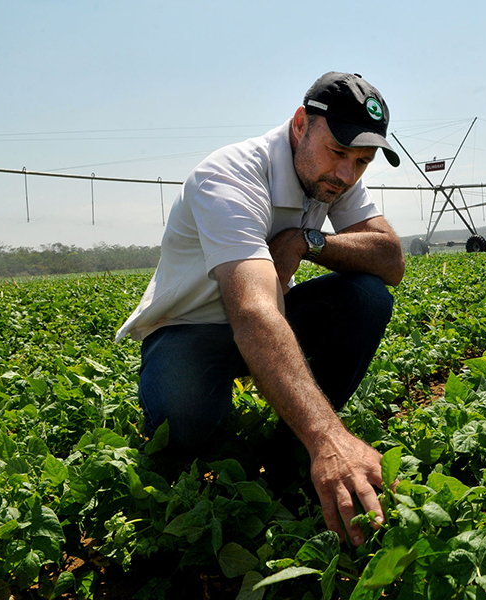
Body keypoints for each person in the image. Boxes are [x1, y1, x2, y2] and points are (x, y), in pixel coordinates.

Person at [115, 72, 405, 547]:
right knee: (184, 432)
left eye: (362, 161)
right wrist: (327, 436)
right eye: (338, 153)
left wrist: (306, 239)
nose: (347, 174)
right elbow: (252, 311)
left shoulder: (334, 178)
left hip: (272, 316)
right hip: (192, 331)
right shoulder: (230, 176)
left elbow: (390, 260)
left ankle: (291, 452)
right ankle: (316, 445)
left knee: (367, 296)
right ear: (299, 125)